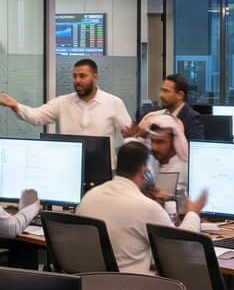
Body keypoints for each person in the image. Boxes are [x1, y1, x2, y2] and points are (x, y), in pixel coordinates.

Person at [77, 140, 206, 273]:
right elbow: (182, 250)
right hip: (133, 289)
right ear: (145, 171)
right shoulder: (146, 207)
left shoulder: (89, 197)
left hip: (90, 287)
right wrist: (193, 212)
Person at [0, 58, 131, 162]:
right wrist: (16, 106)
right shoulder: (62, 102)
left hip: (102, 168)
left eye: (82, 76)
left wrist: (132, 136)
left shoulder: (114, 103)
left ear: (95, 77)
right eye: (75, 76)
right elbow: (36, 116)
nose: (77, 80)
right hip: (69, 165)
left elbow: (130, 134)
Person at [129, 73, 205, 143]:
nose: (161, 95)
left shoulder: (192, 119)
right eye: (161, 90)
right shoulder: (156, 116)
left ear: (180, 95)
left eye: (166, 91)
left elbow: (193, 152)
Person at [138, 112, 188, 205]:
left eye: (160, 142)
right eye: (152, 141)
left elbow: (159, 201)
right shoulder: (154, 160)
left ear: (174, 142)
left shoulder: (180, 167)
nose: (154, 147)